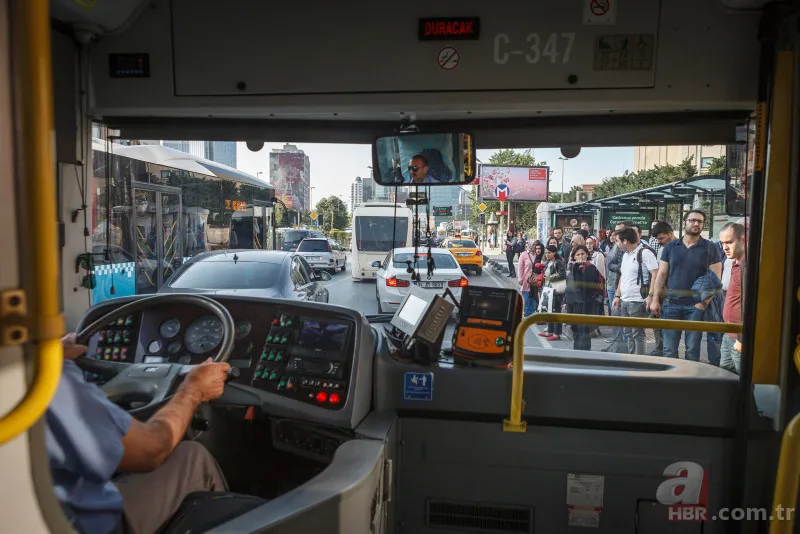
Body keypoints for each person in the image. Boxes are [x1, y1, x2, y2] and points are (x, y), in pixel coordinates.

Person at [47, 333, 257, 534]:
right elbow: (152, 450)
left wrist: (52, 357)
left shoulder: (27, 377)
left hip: (49, 507)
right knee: (192, 457)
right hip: (83, 524)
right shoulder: (50, 388)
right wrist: (194, 389)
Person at [650, 210, 723, 361]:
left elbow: (716, 279)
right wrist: (655, 299)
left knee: (692, 350)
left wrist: (703, 303)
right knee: (669, 350)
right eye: (692, 220)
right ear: (684, 223)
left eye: (700, 221)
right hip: (671, 305)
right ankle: (671, 382)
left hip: (695, 307)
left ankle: (690, 382)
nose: (696, 223)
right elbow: (662, 274)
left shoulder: (710, 247)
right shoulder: (670, 247)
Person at [613, 227, 659, 355]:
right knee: (628, 332)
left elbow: (655, 274)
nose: (616, 243)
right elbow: (623, 276)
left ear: (625, 241)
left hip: (638, 301)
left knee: (638, 333)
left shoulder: (644, 253)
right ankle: (631, 359)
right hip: (624, 300)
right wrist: (617, 295)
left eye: (618, 241)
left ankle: (639, 361)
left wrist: (650, 295)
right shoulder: (626, 255)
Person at [718, 222, 746, 374]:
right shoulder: (735, 264)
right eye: (722, 243)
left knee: (743, 381)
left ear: (743, 240)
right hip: (729, 333)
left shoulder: (747, 266)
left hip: (738, 336)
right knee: (726, 376)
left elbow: (750, 304)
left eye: (729, 242)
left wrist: (742, 338)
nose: (724, 247)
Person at [564, 245, 604, 351]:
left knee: (584, 334)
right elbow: (569, 287)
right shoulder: (573, 269)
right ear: (574, 257)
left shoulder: (591, 268)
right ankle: (577, 354)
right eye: (578, 254)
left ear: (587, 255)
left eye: (582, 253)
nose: (580, 256)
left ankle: (585, 356)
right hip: (574, 305)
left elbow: (583, 286)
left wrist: (579, 268)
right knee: (576, 332)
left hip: (587, 306)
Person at [538, 245, 566, 341]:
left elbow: (563, 275)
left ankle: (557, 333)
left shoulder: (558, 262)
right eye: (546, 253)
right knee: (549, 310)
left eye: (549, 252)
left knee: (556, 311)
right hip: (547, 289)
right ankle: (550, 331)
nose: (547, 254)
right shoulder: (547, 262)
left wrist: (551, 278)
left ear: (554, 253)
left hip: (556, 291)